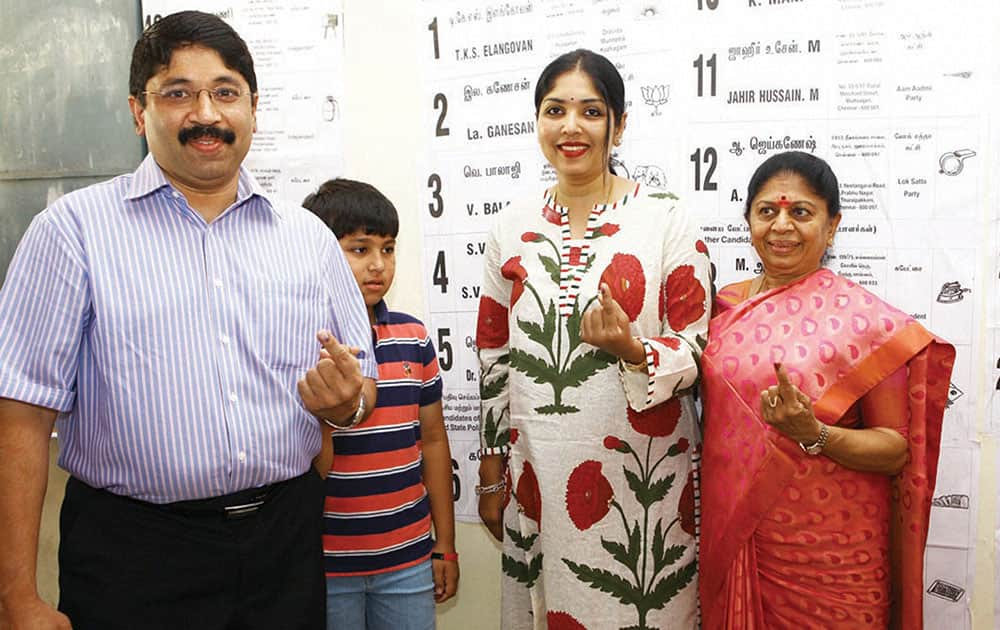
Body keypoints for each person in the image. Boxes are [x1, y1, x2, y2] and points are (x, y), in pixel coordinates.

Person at [0, 11, 377, 630]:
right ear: (137, 110)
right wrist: (17, 598)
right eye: (178, 93)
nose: (206, 114)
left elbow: (362, 390)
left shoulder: (308, 238)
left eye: (225, 92)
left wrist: (344, 408)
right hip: (133, 554)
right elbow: (20, 416)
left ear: (253, 107)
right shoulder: (72, 233)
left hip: (285, 542)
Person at [475, 49, 711, 629]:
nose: (571, 127)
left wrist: (635, 351)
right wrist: (489, 471)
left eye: (591, 111)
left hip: (644, 479)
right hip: (538, 477)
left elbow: (699, 347)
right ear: (538, 122)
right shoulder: (511, 226)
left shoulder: (666, 219)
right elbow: (493, 358)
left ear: (619, 124)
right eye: (555, 110)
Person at [698, 151, 955, 629]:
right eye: (767, 211)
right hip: (740, 537)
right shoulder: (721, 308)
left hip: (833, 557)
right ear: (748, 219)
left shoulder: (864, 323)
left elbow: (895, 449)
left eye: (801, 212)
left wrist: (813, 432)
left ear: (832, 225)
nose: (781, 226)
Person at [302, 179, 459, 630]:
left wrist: (443, 544)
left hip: (408, 559)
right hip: (327, 563)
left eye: (387, 249)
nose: (378, 265)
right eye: (359, 249)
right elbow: (312, 468)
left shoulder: (413, 338)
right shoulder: (304, 345)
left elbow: (432, 441)